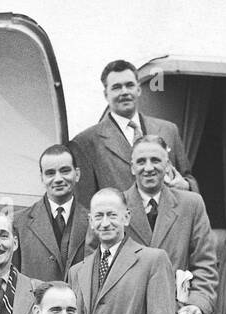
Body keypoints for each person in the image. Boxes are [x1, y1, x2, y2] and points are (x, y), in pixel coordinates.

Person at [124, 134, 218, 314]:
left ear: (168, 166)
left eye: (156, 160)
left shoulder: (191, 204)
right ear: (131, 167)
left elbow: (206, 262)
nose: (148, 167)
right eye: (141, 161)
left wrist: (200, 304)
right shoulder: (116, 205)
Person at [69, 59, 196, 207]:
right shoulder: (86, 142)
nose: (124, 92)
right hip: (121, 228)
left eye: (129, 85)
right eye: (116, 87)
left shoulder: (169, 130)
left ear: (139, 89)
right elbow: (84, 206)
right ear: (105, 95)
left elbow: (189, 179)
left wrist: (186, 186)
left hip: (168, 224)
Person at [14, 145, 90, 283]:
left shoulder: (93, 222)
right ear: (42, 178)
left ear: (77, 174)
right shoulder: (18, 223)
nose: (58, 179)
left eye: (65, 171)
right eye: (50, 173)